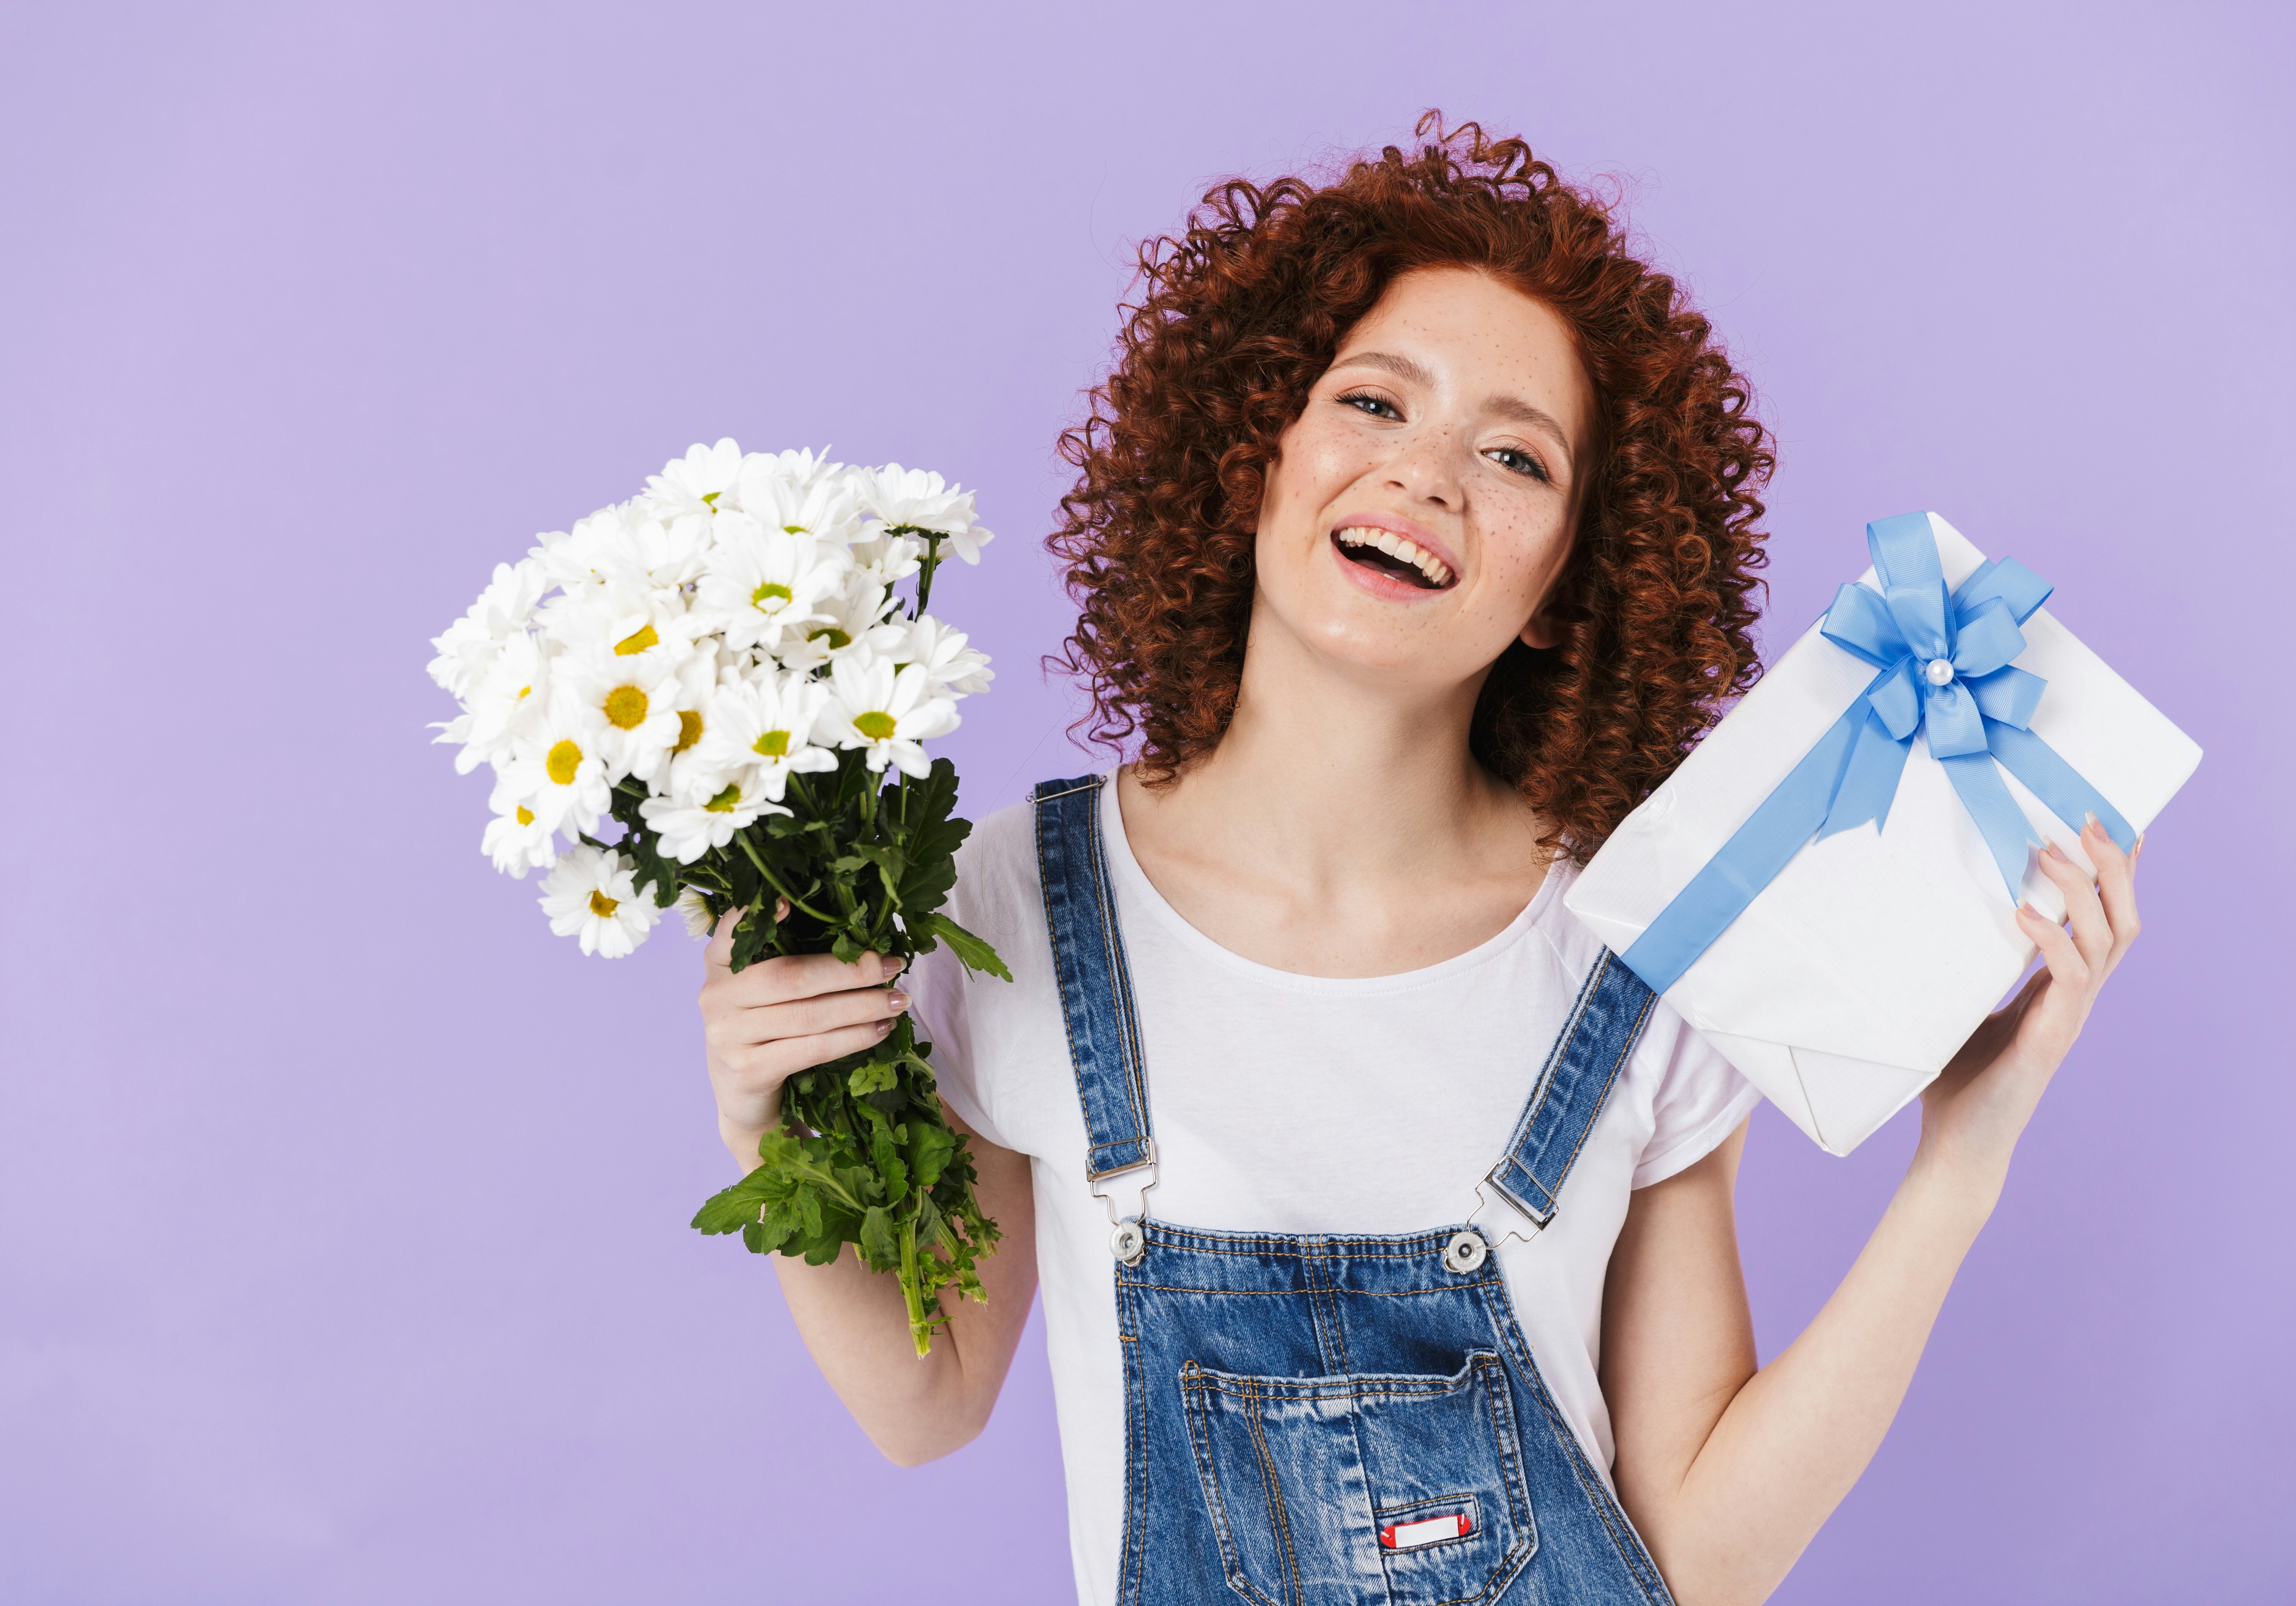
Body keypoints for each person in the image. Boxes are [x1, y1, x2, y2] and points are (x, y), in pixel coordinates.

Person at [693, 118, 2145, 1606]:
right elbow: (923, 1407)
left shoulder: (1637, 951)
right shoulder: (1016, 903)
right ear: (1252, 455)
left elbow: (1704, 1561)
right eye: (1373, 402)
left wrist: (1963, 1160)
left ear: (1564, 585)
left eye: (1514, 453)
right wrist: (765, 1113)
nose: (1428, 473)